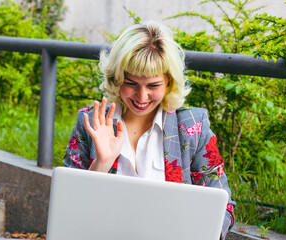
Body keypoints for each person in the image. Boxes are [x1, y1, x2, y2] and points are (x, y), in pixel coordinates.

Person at [63, 21, 235, 239]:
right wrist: (101, 165)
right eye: (131, 83)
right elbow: (68, 208)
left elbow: (223, 205)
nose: (142, 97)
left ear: (169, 82)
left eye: (153, 86)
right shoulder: (90, 123)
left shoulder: (193, 125)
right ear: (116, 78)